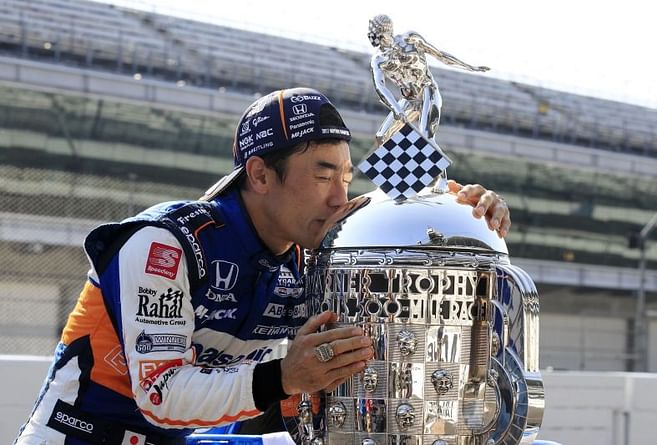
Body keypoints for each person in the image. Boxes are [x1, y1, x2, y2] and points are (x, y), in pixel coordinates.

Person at [14, 87, 510, 445]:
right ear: (259, 174)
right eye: (322, 175)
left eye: (346, 176)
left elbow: (384, 215)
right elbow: (161, 396)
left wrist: (462, 204)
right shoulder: (165, 244)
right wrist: (285, 376)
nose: (340, 197)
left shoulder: (308, 257)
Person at [368, 14, 489, 144]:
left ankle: (428, 157)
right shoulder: (379, 59)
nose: (376, 39)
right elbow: (380, 87)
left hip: (427, 89)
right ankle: (395, 162)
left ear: (387, 31)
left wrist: (470, 67)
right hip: (409, 98)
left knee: (426, 137)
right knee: (382, 137)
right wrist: (396, 109)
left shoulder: (410, 39)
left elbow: (440, 55)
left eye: (378, 34)